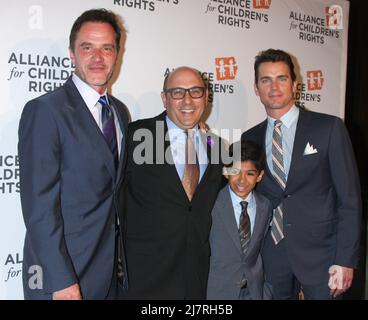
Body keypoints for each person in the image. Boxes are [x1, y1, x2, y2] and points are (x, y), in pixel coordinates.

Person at [18, 9, 129, 300]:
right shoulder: (45, 111)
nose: (97, 57)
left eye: (107, 48)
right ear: (71, 54)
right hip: (64, 277)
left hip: (110, 275)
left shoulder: (119, 112)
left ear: (117, 54)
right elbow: (39, 207)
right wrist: (60, 280)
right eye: (87, 47)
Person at [242, 49, 361, 300]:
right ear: (256, 88)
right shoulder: (249, 138)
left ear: (295, 84)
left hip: (324, 256)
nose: (274, 86)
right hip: (271, 255)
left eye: (281, 78)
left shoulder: (328, 128)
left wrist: (346, 259)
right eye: (266, 80)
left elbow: (349, 199)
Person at [120, 66, 225, 299]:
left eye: (195, 91)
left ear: (206, 96)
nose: (187, 100)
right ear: (164, 98)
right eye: (177, 92)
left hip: (196, 279)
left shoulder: (217, 147)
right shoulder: (135, 136)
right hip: (144, 279)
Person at [207, 140, 272, 300]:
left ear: (260, 176)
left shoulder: (265, 206)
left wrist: (265, 292)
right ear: (226, 171)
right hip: (217, 292)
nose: (242, 180)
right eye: (236, 172)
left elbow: (260, 249)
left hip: (254, 292)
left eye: (250, 173)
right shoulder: (211, 204)